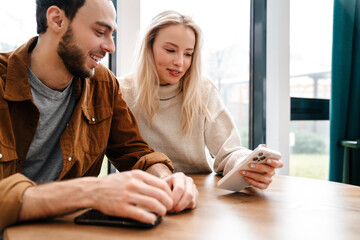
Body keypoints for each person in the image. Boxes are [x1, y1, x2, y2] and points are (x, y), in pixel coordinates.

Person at [0, 1, 198, 231]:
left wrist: (165, 179)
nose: (111, 47)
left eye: (112, 34)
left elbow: (134, 152)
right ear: (56, 20)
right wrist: (89, 192)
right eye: (100, 32)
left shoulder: (103, 84)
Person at [120, 10, 284, 189]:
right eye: (170, 50)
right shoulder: (122, 91)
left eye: (188, 54)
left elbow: (229, 151)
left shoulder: (203, 90)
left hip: (198, 190)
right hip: (144, 190)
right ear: (148, 47)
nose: (180, 62)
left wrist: (247, 163)